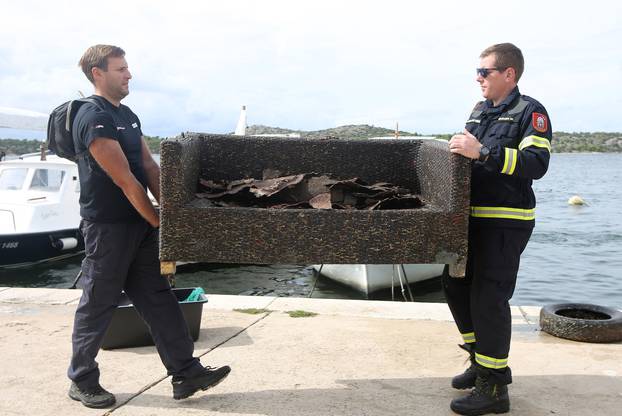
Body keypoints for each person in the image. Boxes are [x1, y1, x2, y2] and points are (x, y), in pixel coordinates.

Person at [67, 44, 230, 409]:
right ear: (98, 73)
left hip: (139, 224)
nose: (129, 75)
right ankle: (81, 379)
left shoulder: (128, 115)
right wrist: (158, 221)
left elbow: (149, 168)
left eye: (128, 68)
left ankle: (186, 372)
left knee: (158, 298)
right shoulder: (91, 117)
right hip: (108, 228)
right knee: (98, 303)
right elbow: (125, 180)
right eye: (120, 69)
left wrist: (172, 216)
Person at [446, 43, 552, 415]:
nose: (478, 78)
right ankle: (481, 362)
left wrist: (485, 153)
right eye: (476, 72)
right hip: (470, 220)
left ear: (509, 74)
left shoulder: (531, 112)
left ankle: (493, 390)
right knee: (455, 286)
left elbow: (536, 164)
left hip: (505, 222)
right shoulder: (479, 111)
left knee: (489, 298)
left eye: (484, 72)